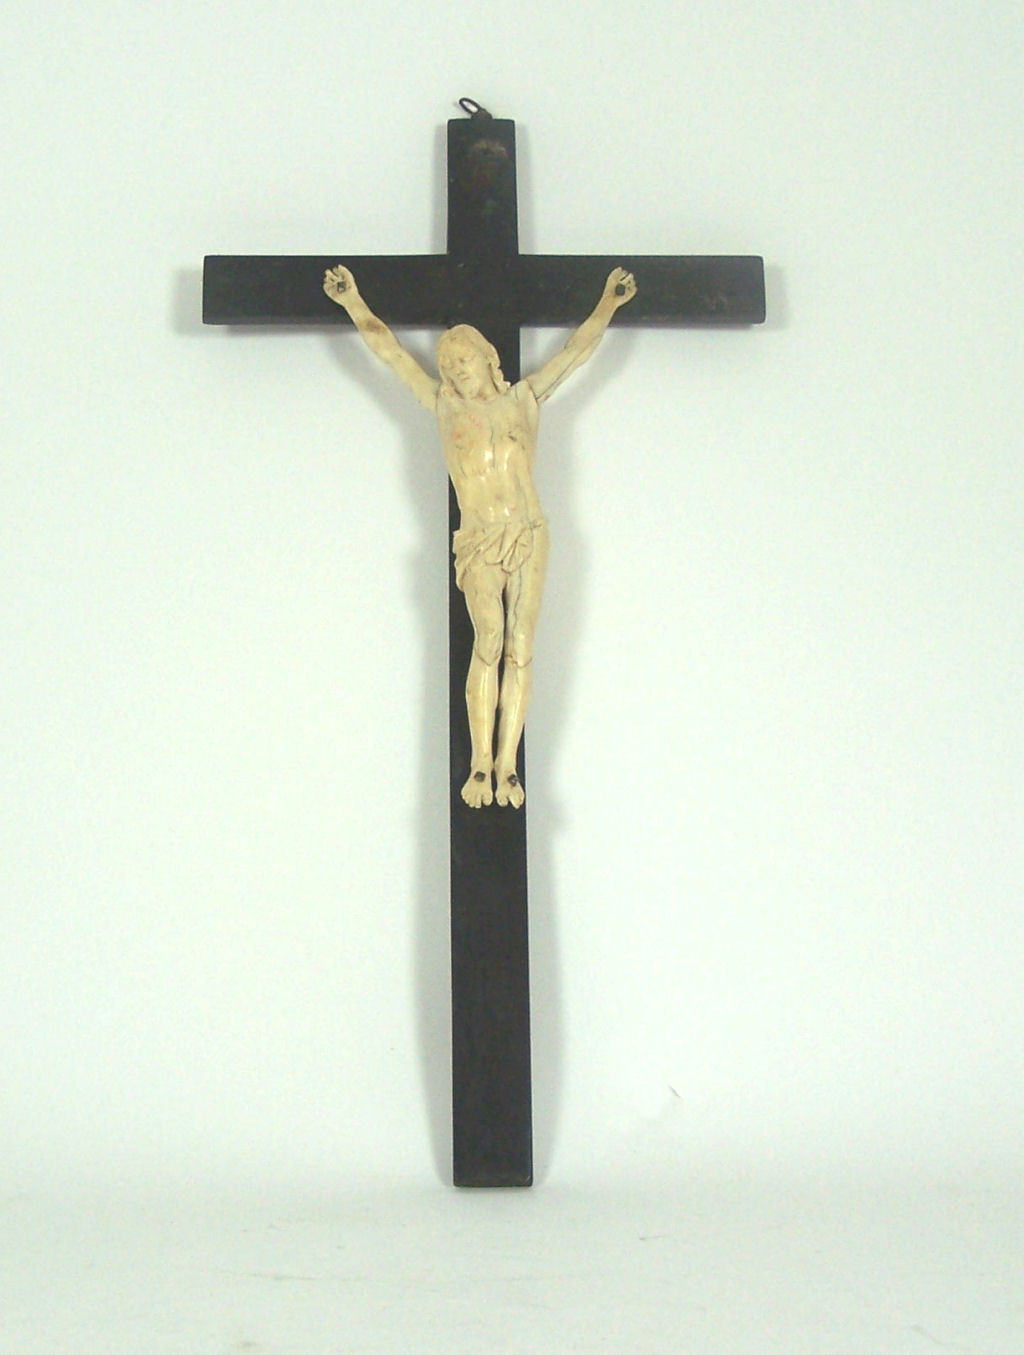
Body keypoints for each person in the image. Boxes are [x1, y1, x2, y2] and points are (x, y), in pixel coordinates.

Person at [324, 263, 637, 807]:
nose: (454, 370)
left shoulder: (524, 401)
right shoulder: (445, 407)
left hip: (528, 531)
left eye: (463, 360)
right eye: (447, 364)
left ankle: (508, 765)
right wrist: (353, 302)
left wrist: (608, 303)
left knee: (521, 644)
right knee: (488, 639)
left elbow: (575, 353)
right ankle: (479, 763)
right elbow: (392, 355)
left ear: (489, 358)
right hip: (478, 538)